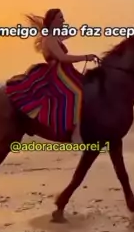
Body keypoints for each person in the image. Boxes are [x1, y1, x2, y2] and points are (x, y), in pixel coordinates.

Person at [5, 8, 97, 143]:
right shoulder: (49, 40)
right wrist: (85, 57)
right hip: (57, 73)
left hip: (67, 71)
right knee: (76, 93)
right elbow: (62, 57)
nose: (63, 20)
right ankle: (75, 131)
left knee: (89, 89)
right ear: (52, 21)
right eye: (60, 18)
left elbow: (67, 34)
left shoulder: (54, 36)